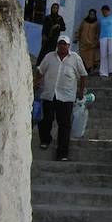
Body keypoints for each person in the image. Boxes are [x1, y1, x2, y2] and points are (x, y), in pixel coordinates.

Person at [34, 32, 86, 161]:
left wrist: (81, 90)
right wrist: (35, 83)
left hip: (66, 96)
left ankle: (62, 153)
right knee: (46, 119)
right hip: (49, 94)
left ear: (69, 46)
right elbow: (41, 71)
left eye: (65, 44)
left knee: (64, 125)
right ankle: (45, 139)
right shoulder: (49, 57)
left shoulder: (75, 58)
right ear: (57, 45)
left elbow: (83, 74)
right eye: (60, 44)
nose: (62, 47)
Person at [36, 2, 66, 67]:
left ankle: (47, 66)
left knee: (51, 53)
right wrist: (43, 36)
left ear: (58, 9)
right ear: (51, 8)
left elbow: (63, 28)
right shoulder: (47, 17)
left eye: (56, 8)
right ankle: (39, 66)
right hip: (46, 38)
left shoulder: (60, 19)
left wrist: (58, 26)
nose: (54, 9)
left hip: (54, 39)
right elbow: (44, 28)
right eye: (53, 8)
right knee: (43, 53)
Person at [76, 8, 100, 74]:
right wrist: (77, 37)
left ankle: (90, 70)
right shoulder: (84, 21)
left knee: (91, 58)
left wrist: (96, 42)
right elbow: (80, 29)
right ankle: (83, 71)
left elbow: (97, 33)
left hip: (91, 44)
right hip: (83, 43)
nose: (91, 16)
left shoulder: (96, 23)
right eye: (90, 14)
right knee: (83, 57)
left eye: (93, 14)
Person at [98, 4, 112, 78]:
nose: (104, 13)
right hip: (103, 37)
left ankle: (111, 71)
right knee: (103, 54)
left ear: (108, 11)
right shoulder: (101, 19)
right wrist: (98, 37)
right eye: (103, 12)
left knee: (111, 53)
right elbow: (99, 28)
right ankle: (103, 72)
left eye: (105, 11)